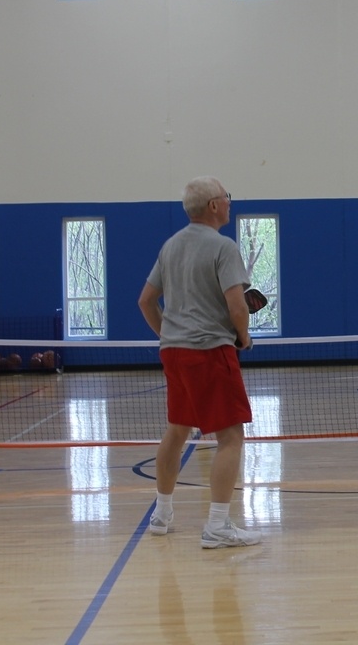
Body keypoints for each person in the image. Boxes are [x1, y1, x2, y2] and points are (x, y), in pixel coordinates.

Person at [137, 176, 262, 548]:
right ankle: (218, 526)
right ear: (212, 205)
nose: (229, 202)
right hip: (210, 350)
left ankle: (161, 514)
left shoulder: (170, 246)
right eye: (226, 197)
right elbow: (238, 306)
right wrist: (243, 336)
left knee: (177, 431)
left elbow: (145, 301)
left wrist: (167, 334)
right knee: (230, 437)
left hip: (173, 353)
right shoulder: (224, 247)